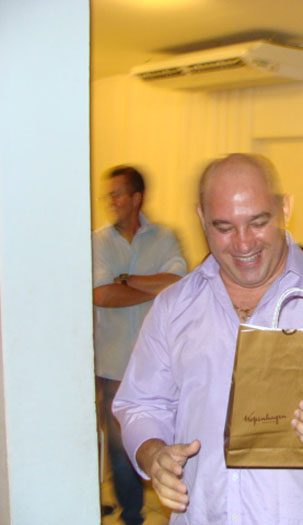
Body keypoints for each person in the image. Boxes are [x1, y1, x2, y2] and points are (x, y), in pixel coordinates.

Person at [113, 154, 303, 524]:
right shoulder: (175, 307)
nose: (243, 244)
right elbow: (140, 403)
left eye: (258, 223)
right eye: (224, 227)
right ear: (201, 217)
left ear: (285, 208)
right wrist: (152, 453)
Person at [93, 165, 187, 525]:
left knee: (164, 440)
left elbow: (178, 284)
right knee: (120, 453)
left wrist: (126, 279)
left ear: (136, 198)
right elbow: (102, 295)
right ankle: (131, 516)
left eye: (118, 194)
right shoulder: (98, 242)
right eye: (109, 195)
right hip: (113, 364)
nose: (111, 201)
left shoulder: (164, 238)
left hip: (159, 363)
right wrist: (153, 287)